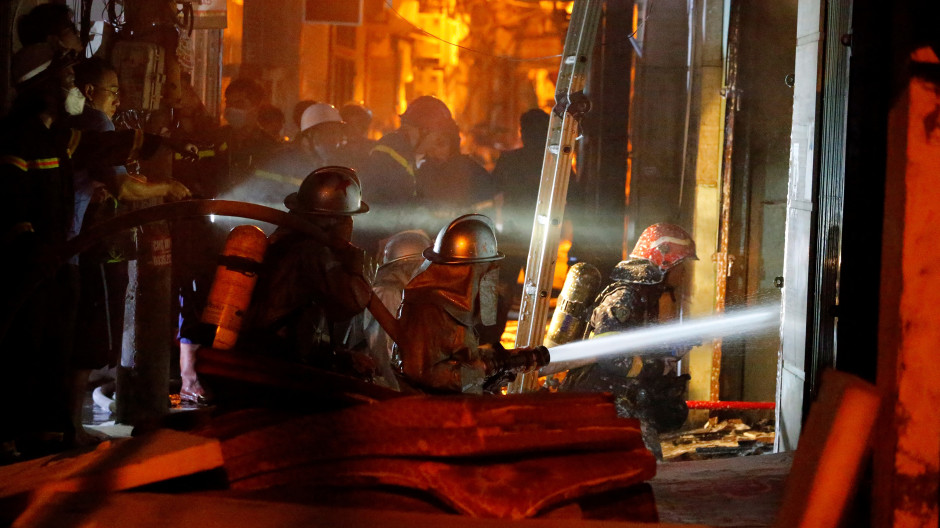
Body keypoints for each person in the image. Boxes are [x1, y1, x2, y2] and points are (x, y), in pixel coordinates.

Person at [0, 43, 196, 457]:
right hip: (31, 267)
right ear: (43, 87)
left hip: (58, 263)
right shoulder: (20, 138)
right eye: (67, 80)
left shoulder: (58, 136)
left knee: (54, 350)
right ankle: (9, 437)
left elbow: (98, 149)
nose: (74, 88)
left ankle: (44, 434)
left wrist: (159, 143)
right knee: (24, 351)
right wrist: (29, 246)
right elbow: (10, 202)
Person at [69, 57, 191, 410]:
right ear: (90, 92)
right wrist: (166, 187)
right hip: (73, 244)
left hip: (63, 240)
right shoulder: (96, 121)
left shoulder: (73, 121)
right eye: (113, 91)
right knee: (85, 338)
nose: (118, 101)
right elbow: (123, 187)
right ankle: (71, 426)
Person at [561, 223, 698, 456]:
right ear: (665, 262)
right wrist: (656, 367)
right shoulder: (624, 298)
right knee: (643, 462)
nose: (684, 273)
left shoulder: (647, 298)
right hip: (598, 402)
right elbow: (611, 357)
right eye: (681, 265)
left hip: (617, 399)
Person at [239, 166, 373, 375]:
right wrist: (355, 265)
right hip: (276, 370)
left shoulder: (283, 239)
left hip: (257, 356)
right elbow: (352, 302)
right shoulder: (313, 252)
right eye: (349, 218)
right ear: (339, 219)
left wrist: (341, 357)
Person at [394, 214, 548, 394]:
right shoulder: (429, 308)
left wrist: (507, 359)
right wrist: (483, 368)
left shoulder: (456, 308)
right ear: (465, 270)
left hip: (458, 404)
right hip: (434, 413)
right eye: (485, 266)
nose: (490, 272)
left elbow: (459, 356)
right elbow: (422, 373)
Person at [362, 230, 431, 389]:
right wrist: (396, 391)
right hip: (382, 390)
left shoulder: (403, 292)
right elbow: (381, 352)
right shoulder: (387, 293)